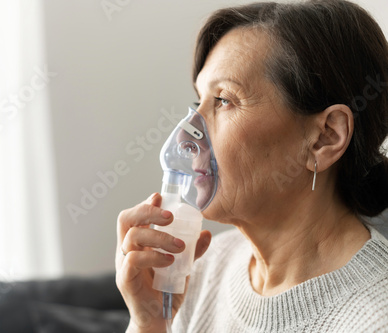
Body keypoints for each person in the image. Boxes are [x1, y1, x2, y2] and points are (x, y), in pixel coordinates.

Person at [115, 0, 388, 332]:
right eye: (197, 101)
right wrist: (149, 323)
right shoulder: (204, 269)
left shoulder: (374, 320)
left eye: (225, 100)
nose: (186, 138)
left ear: (325, 138)